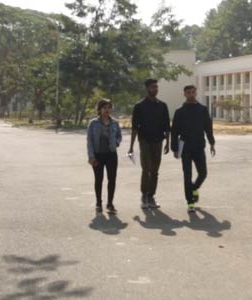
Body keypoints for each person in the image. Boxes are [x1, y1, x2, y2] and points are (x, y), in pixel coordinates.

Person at [171, 85, 216, 213]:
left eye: (193, 92)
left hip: (199, 146)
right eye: (188, 92)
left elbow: (208, 128)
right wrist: (175, 148)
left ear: (196, 93)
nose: (191, 94)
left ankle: (194, 188)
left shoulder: (202, 110)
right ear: (184, 94)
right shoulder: (179, 111)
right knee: (187, 175)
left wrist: (212, 143)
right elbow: (174, 132)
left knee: (203, 173)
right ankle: (190, 202)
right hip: (185, 147)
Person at [129, 79, 170, 209]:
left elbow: (167, 126)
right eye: (153, 87)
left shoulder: (162, 105)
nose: (155, 89)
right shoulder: (139, 106)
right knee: (146, 169)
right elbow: (134, 127)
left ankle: (151, 196)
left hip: (158, 141)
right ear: (147, 88)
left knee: (155, 170)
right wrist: (131, 146)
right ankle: (144, 196)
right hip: (144, 141)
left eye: (156, 87)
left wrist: (168, 143)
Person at [87, 99, 122, 214]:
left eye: (109, 108)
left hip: (111, 154)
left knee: (112, 179)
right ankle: (98, 203)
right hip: (98, 155)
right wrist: (91, 156)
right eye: (104, 108)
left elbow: (119, 136)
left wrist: (116, 143)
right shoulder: (93, 123)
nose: (107, 110)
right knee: (98, 179)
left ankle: (110, 203)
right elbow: (89, 141)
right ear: (99, 109)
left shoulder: (115, 123)